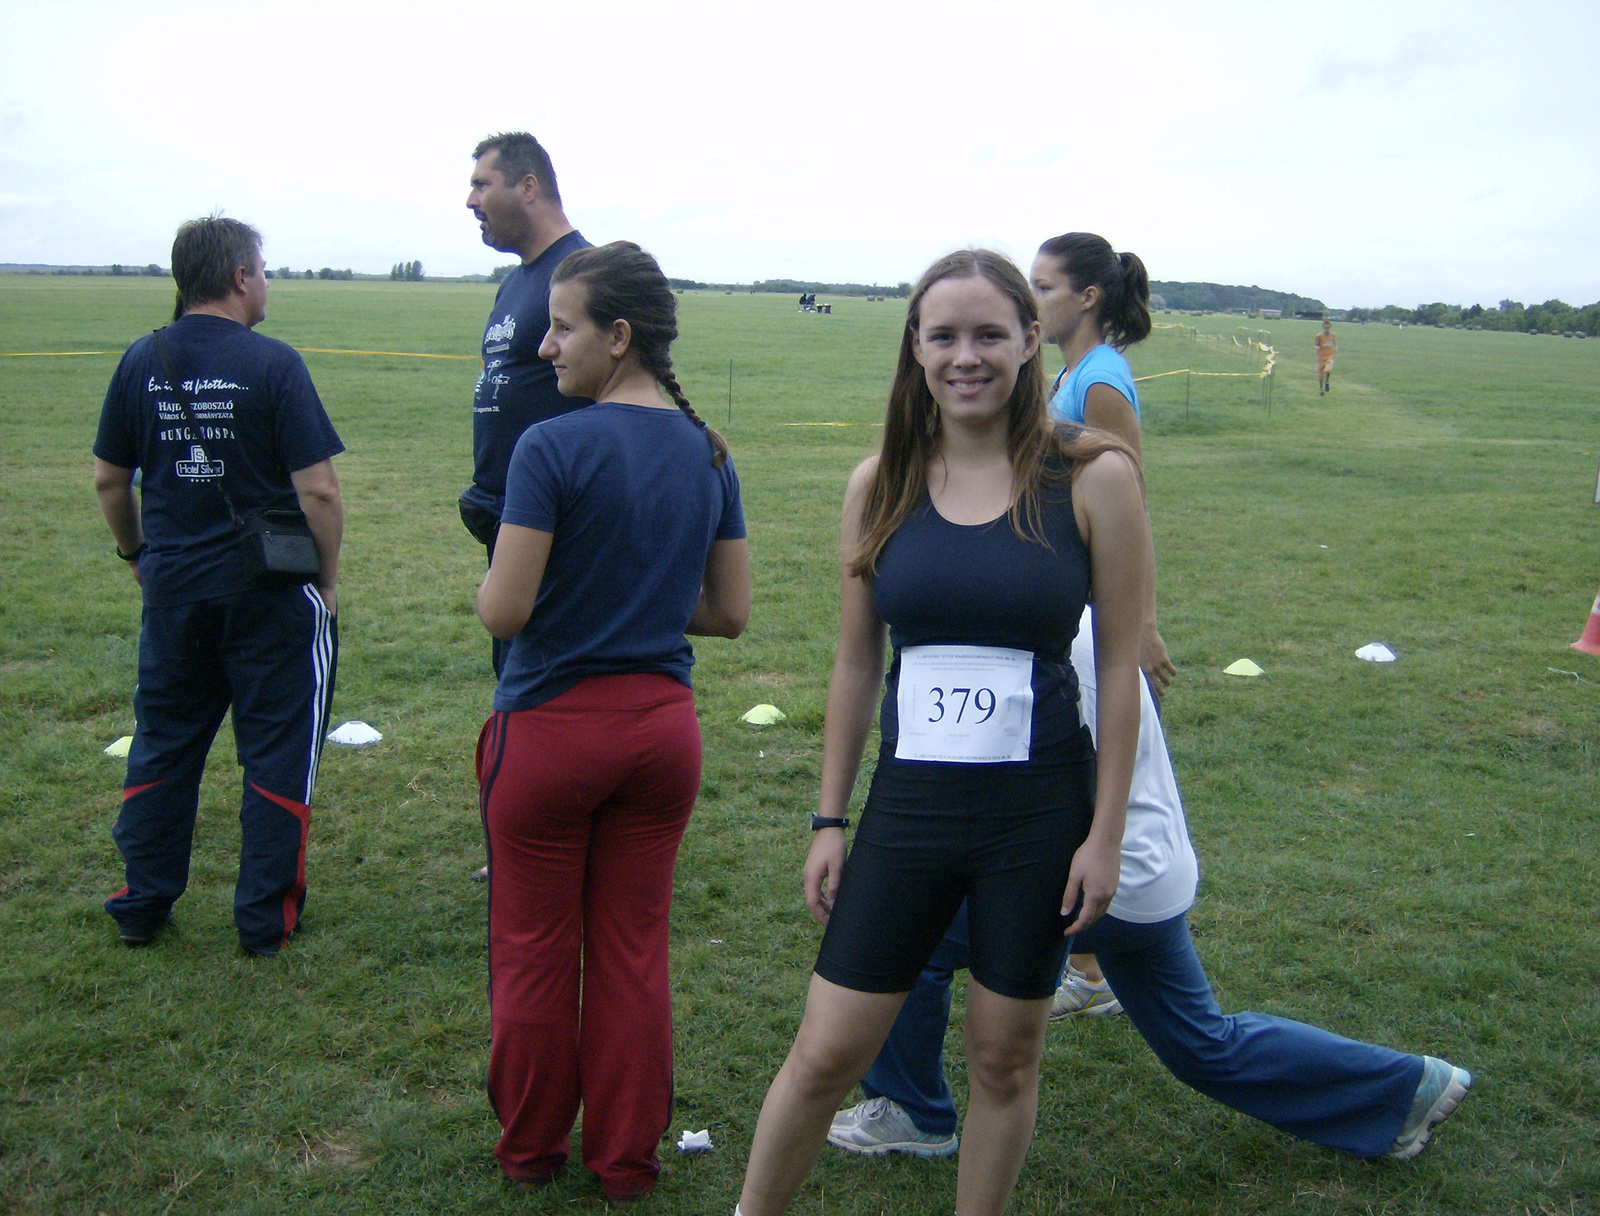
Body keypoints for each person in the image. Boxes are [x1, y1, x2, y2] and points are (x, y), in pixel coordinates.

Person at [735, 250, 1152, 1216]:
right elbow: (854, 663)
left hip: (1038, 817)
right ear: (915, 348)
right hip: (910, 811)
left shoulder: (1094, 477)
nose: (967, 356)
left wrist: (1105, 835)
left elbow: (1122, 664)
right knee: (828, 1049)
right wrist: (827, 819)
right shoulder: (878, 484)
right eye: (944, 336)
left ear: (1029, 341)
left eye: (989, 334)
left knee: (1006, 1058)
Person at [828, 605, 1473, 1165]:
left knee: (904, 927)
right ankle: (1406, 1087)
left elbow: (1000, 799)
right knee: (1202, 1045)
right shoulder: (1074, 615)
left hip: (1099, 878)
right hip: (1149, 873)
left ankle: (911, 1113)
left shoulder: (1040, 637)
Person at [475, 241, 750, 1202]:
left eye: (562, 326)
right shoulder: (709, 451)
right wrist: (630, 596)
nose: (546, 347)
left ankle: (531, 1151)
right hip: (662, 735)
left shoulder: (549, 445)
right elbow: (728, 612)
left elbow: (503, 612)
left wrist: (566, 590)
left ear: (618, 336)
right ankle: (626, 1160)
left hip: (550, 730)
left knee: (534, 951)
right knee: (633, 955)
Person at [92, 216, 343, 957]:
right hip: (267, 594)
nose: (266, 281)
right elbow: (320, 493)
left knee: (164, 744)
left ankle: (142, 902)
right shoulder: (274, 364)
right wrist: (326, 582)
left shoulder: (142, 359)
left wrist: (137, 553)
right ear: (240, 278)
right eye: (262, 269)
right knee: (275, 748)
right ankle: (265, 918)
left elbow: (110, 478)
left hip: (173, 594)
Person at [1032, 230, 1170, 1008]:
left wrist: (1142, 623)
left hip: (1100, 611)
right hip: (1074, 601)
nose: (1035, 299)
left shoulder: (1102, 378)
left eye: (1046, 287)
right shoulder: (1070, 372)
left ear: (1088, 297)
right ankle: (1089, 968)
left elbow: (1131, 504)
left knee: (1096, 777)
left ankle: (1095, 972)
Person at [459, 131, 593, 678]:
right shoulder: (516, 280)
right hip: (511, 521)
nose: (470, 202)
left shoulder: (582, 273)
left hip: (560, 527)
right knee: (514, 672)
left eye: (481, 185)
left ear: (528, 187)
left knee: (546, 682)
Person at [1315, 319, 1337, 394]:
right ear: (1323, 327)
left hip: (1329, 356)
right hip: (1321, 357)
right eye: (1325, 328)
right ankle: (1321, 389)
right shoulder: (1319, 336)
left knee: (1328, 369)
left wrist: (1336, 347)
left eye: (1328, 328)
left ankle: (1327, 381)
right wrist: (1316, 347)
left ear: (1330, 327)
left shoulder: (1333, 335)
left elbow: (1334, 342)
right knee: (1321, 375)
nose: (1326, 329)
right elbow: (1315, 344)